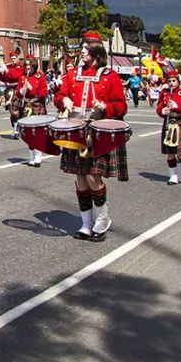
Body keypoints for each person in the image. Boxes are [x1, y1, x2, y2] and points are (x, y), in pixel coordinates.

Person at [54, 34, 128, 242]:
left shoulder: (110, 76)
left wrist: (105, 107)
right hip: (76, 130)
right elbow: (59, 96)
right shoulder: (72, 74)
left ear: (96, 52)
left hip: (98, 131)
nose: (82, 51)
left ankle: (102, 220)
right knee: (80, 177)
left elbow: (121, 106)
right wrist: (64, 99)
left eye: (86, 48)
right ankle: (86, 223)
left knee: (94, 177)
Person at [157, 68, 181, 185]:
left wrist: (177, 106)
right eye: (169, 81)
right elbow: (158, 108)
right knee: (170, 152)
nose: (171, 83)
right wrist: (162, 110)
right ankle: (173, 176)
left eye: (174, 81)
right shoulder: (164, 93)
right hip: (169, 123)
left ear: (178, 81)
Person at [18, 56, 49, 167]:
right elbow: (18, 92)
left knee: (37, 132)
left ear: (34, 66)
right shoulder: (22, 77)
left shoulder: (40, 76)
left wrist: (32, 89)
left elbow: (44, 92)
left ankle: (38, 155)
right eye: (26, 65)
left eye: (29, 65)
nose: (27, 68)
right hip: (27, 105)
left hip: (37, 104)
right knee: (28, 132)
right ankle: (31, 156)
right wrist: (21, 91)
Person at [0, 54, 26, 138]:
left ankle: (18, 128)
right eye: (11, 58)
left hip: (17, 89)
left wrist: (6, 70)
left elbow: (14, 76)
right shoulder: (9, 67)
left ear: (17, 58)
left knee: (16, 110)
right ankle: (15, 128)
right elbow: (5, 78)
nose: (12, 60)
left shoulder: (20, 68)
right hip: (9, 89)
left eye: (14, 58)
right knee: (11, 109)